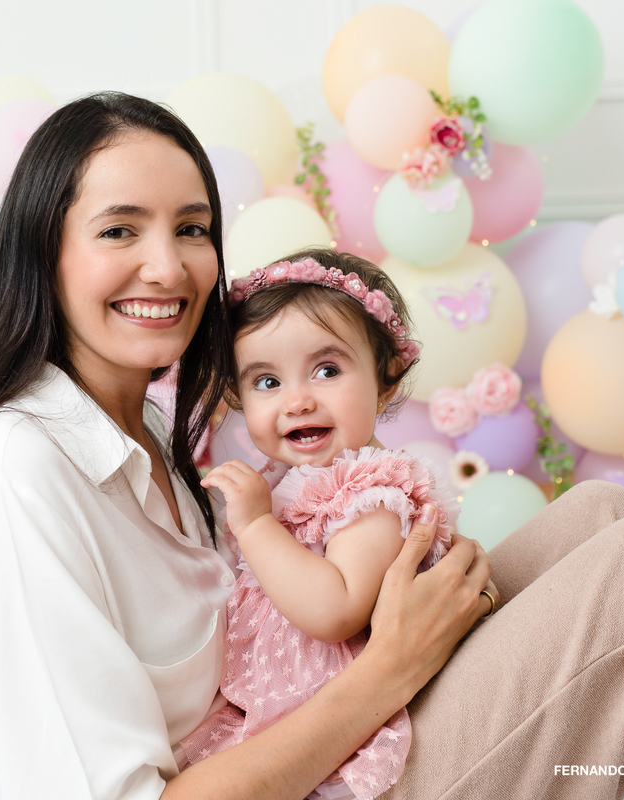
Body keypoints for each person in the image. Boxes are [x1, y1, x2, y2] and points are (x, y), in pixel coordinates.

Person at [0, 91, 624, 800]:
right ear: (44, 251)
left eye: (192, 229)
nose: (169, 265)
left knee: (600, 516)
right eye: (120, 230)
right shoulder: (19, 472)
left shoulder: (147, 433)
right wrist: (393, 666)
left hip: (304, 738)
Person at [179, 250, 461, 800]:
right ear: (237, 395)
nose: (297, 400)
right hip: (286, 721)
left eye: (327, 370)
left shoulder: (373, 492)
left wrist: (257, 526)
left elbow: (334, 610)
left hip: (344, 723)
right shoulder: (284, 481)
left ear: (385, 382)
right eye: (266, 382)